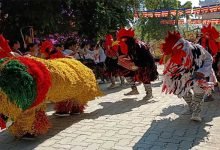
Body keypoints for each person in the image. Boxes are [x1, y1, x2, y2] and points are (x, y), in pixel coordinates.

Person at [160, 31, 213, 122]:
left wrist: (202, 71)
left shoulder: (197, 49)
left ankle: (197, 112)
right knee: (180, 90)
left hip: (197, 72)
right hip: (180, 75)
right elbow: (167, 65)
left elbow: (209, 59)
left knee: (199, 89)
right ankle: (192, 107)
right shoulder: (169, 53)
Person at [116, 28, 158, 99]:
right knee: (142, 77)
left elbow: (142, 56)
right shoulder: (133, 44)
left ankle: (149, 94)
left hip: (145, 63)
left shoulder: (137, 45)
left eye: (123, 39)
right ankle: (145, 92)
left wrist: (134, 63)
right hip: (142, 63)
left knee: (145, 78)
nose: (123, 41)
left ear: (127, 39)